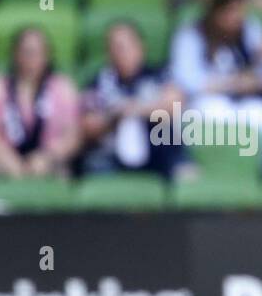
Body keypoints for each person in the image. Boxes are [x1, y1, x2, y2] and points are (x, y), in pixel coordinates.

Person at [168, 0, 262, 158]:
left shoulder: (249, 30)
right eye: (231, 12)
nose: (236, 18)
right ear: (216, 12)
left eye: (240, 12)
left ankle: (259, 169)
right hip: (206, 101)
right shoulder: (192, 34)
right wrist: (230, 83)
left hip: (244, 101)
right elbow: (186, 79)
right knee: (213, 112)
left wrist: (256, 78)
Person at [80, 21, 187, 179]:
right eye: (114, 48)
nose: (120, 53)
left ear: (140, 47)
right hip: (111, 154)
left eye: (125, 46)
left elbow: (175, 103)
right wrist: (114, 117)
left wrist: (135, 109)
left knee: (182, 166)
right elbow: (88, 125)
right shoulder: (100, 82)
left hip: (157, 151)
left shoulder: (158, 75)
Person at [0, 27, 79, 178]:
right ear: (15, 54)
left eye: (38, 52)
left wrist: (47, 157)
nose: (32, 59)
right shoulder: (1, 87)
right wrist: (9, 160)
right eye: (27, 52)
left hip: (50, 163)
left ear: (47, 55)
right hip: (5, 163)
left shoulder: (62, 87)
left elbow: (72, 137)